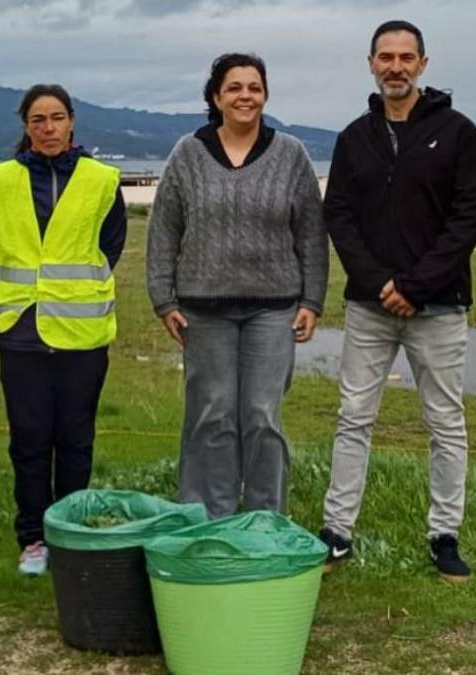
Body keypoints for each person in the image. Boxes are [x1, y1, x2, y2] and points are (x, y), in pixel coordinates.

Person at [317, 20, 476, 581]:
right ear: (370, 63)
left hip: (438, 307)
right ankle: (337, 530)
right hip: (369, 307)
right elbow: (338, 215)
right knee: (353, 418)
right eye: (386, 56)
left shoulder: (459, 133)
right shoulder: (353, 138)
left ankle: (445, 535)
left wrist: (416, 285)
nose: (396, 66)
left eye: (406, 57)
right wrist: (377, 282)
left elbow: (467, 219)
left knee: (444, 421)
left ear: (423, 63)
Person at [146, 53, 328, 519]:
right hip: (203, 309)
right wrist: (163, 298)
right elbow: (165, 229)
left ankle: (265, 522)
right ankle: (210, 521)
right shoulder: (188, 152)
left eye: (254, 87)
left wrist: (312, 299)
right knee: (213, 415)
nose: (245, 96)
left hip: (274, 308)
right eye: (234, 88)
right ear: (216, 97)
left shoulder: (290, 154)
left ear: (265, 95)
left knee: (263, 416)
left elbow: (311, 231)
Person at [0, 84, 126, 575]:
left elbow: (112, 244)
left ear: (73, 121)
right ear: (26, 126)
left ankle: (72, 531)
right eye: (38, 120)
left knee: (76, 439)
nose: (49, 128)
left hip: (81, 334)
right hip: (19, 331)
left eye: (57, 117)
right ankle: (33, 538)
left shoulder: (102, 180)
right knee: (30, 440)